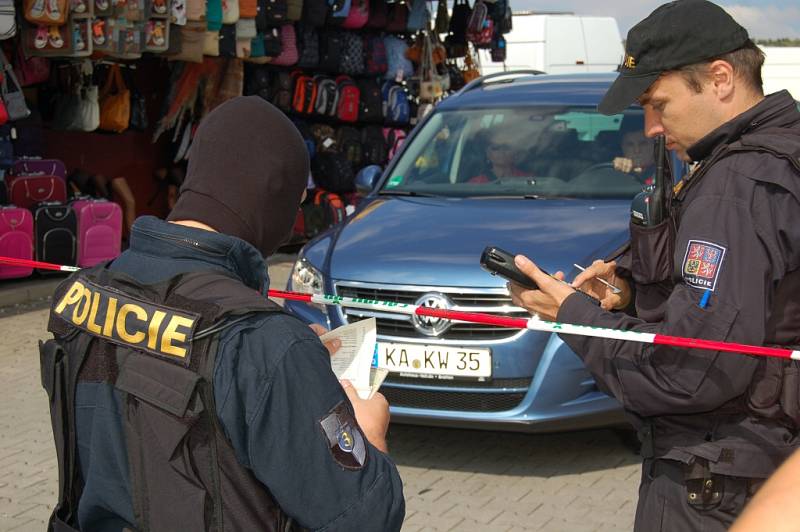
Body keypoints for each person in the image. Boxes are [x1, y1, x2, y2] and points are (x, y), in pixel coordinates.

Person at [39, 96, 405, 531]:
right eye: (297, 197)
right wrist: (370, 433)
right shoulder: (266, 343)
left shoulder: (81, 294)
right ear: (273, 193)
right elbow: (366, 519)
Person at [506, 1, 800, 530]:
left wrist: (573, 314)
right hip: (761, 468)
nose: (651, 127)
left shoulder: (737, 184)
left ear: (720, 78)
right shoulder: (780, 150)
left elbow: (691, 371)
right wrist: (632, 295)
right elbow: (758, 303)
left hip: (716, 482)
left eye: (659, 104)